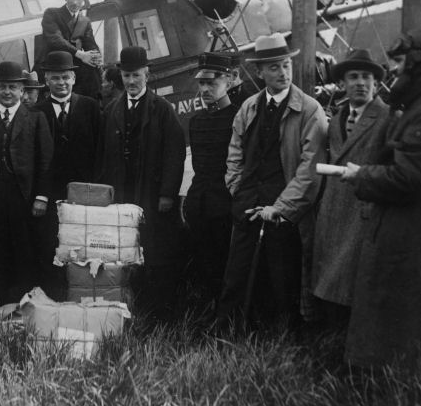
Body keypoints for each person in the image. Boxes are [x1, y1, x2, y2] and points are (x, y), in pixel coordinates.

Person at [340, 26, 421, 369]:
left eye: (399, 62)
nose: (395, 70)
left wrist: (362, 175)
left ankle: (386, 379)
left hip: (411, 229)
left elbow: (408, 177)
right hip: (416, 227)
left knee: (398, 305)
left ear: (418, 63)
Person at [216, 33, 327, 328]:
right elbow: (235, 153)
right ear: (259, 71)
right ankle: (229, 334)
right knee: (236, 274)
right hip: (248, 202)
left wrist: (281, 208)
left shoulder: (309, 110)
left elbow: (310, 169)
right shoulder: (249, 108)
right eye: (275, 67)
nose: (283, 73)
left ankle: (286, 340)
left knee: (284, 278)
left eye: (286, 65)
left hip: (285, 211)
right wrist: (238, 190)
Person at [97, 46, 186, 323]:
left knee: (155, 252)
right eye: (126, 76)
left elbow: (175, 153)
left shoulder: (162, 110)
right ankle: (130, 311)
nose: (131, 82)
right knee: (125, 253)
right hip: (123, 195)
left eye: (136, 75)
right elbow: (103, 154)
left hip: (151, 194)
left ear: (146, 74)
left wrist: (167, 194)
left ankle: (161, 314)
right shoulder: (112, 110)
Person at [311, 50, 390, 329]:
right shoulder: (336, 119)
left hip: (366, 213)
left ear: (377, 84)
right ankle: (332, 340)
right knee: (333, 283)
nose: (361, 83)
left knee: (357, 287)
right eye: (353, 77)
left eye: (367, 77)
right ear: (342, 84)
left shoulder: (389, 118)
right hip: (334, 213)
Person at [0, 61, 53, 307]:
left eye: (13, 87)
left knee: (24, 250)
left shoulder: (35, 118)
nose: (7, 92)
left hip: (25, 196)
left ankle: (25, 305)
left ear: (22, 91)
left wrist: (42, 196)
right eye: (2, 87)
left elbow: (45, 160)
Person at [34, 51, 102, 297]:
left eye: (65, 77)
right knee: (52, 243)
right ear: (46, 80)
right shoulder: (36, 111)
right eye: (55, 78)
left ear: (74, 78)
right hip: (51, 193)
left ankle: (83, 293)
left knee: (83, 242)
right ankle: (54, 293)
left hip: (85, 191)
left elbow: (100, 150)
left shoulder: (91, 107)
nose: (61, 82)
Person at [184, 52, 238, 300]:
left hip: (226, 205)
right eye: (202, 83)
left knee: (226, 264)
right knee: (202, 263)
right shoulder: (196, 121)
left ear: (228, 81)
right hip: (200, 205)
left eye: (212, 83)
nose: (205, 89)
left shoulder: (237, 118)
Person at [35, 0, 102, 99]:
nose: (75, 2)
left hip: (73, 67)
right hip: (53, 63)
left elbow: (90, 43)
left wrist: (96, 57)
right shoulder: (52, 14)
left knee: (94, 74)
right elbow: (55, 40)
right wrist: (81, 54)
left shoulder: (85, 21)